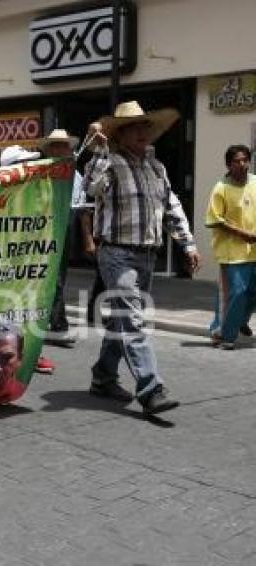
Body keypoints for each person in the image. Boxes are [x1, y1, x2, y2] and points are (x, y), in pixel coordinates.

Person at [84, 101, 201, 415]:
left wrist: (187, 245)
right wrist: (99, 153)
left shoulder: (156, 167)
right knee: (134, 320)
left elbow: (171, 206)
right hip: (116, 253)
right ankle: (151, 388)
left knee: (124, 319)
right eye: (135, 127)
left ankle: (103, 376)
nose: (142, 132)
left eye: (145, 126)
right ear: (121, 134)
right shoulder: (110, 161)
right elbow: (91, 188)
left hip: (147, 254)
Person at [0, 144, 57, 375]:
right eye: (24, 164)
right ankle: (17, 353)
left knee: (27, 307)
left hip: (28, 263)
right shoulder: (0, 197)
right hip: (5, 265)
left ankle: (30, 353)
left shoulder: (34, 192)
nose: (30, 168)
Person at [206, 145, 256, 350]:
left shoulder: (255, 182)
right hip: (232, 252)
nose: (242, 164)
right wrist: (242, 234)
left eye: (245, 160)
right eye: (237, 161)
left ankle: (239, 320)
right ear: (228, 164)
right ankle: (226, 335)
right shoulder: (221, 188)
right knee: (237, 292)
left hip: (254, 250)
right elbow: (215, 220)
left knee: (252, 292)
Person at [40, 128, 85, 348]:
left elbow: (82, 208)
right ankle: (60, 326)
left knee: (59, 279)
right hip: (44, 231)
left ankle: (48, 320)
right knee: (54, 280)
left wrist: (88, 239)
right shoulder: (40, 173)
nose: (59, 149)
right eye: (55, 145)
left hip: (65, 231)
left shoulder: (76, 176)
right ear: (48, 150)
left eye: (63, 145)